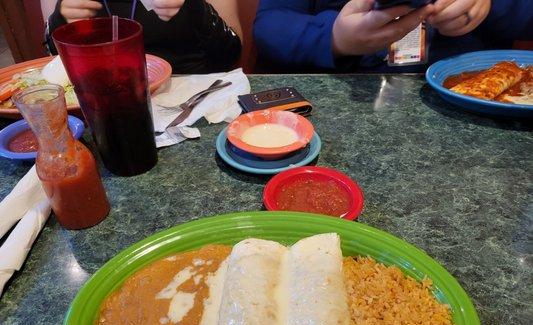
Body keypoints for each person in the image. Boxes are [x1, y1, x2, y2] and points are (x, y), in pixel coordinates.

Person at [253, 0, 533, 72]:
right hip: (346, 92)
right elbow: (271, 26)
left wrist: (491, 5)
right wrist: (335, 39)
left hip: (473, 88)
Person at [45, 0, 242, 73]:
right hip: (103, 99)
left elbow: (231, 55)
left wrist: (196, 8)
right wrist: (60, 21)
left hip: (193, 96)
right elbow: (53, 61)